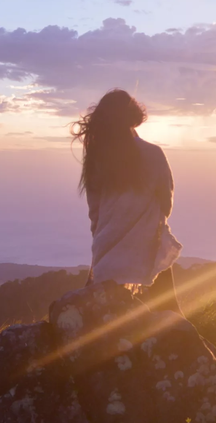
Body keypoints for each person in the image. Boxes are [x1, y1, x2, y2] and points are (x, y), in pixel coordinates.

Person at [72, 89, 184, 316]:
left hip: (107, 248)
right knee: (169, 311)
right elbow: (166, 202)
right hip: (149, 242)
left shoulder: (97, 157)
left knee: (94, 315)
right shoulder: (153, 154)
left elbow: (95, 213)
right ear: (133, 117)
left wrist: (103, 241)